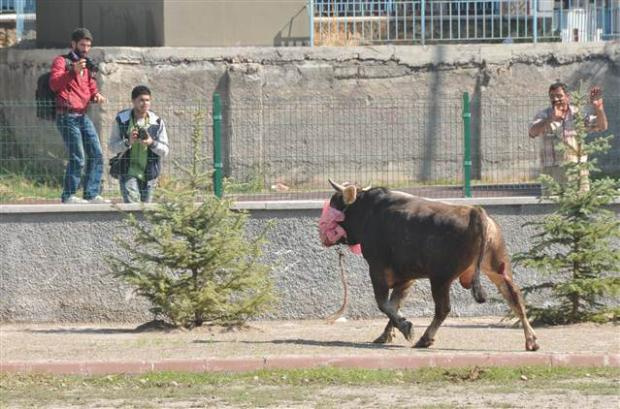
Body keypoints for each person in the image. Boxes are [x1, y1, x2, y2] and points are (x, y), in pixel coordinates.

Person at [50, 27, 108, 204]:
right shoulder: (62, 62)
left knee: (97, 153)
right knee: (78, 156)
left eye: (88, 45)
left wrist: (96, 95)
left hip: (82, 115)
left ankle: (91, 193)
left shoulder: (87, 65)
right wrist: (72, 71)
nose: (85, 49)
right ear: (73, 44)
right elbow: (54, 85)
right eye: (82, 44)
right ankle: (68, 196)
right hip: (66, 116)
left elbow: (90, 87)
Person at [528, 82, 608, 192]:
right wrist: (550, 119)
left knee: (579, 206)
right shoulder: (544, 115)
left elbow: (602, 126)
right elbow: (532, 132)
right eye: (552, 96)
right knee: (551, 207)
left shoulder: (577, 114)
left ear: (567, 96)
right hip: (551, 171)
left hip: (577, 169)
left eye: (559, 96)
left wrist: (599, 108)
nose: (555, 99)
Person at [108, 85, 169, 203]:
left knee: (147, 211)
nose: (145, 103)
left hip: (150, 172)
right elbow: (112, 146)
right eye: (141, 100)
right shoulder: (122, 120)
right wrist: (127, 142)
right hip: (128, 171)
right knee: (133, 208)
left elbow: (165, 150)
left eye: (147, 100)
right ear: (133, 101)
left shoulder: (157, 122)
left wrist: (151, 143)